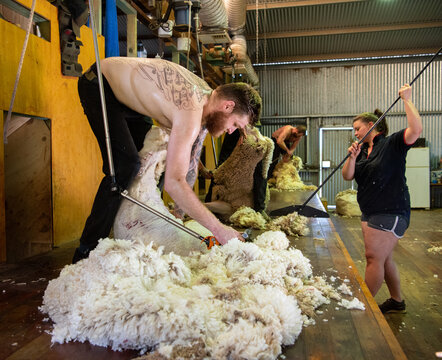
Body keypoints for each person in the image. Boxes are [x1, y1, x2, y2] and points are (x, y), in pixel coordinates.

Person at [72, 57, 262, 263]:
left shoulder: (207, 105)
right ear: (228, 106)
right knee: (125, 167)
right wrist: (219, 230)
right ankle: (85, 251)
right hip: (100, 85)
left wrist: (178, 216)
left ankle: (145, 223)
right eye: (235, 123)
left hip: (128, 102)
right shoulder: (191, 109)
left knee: (150, 165)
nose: (232, 131)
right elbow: (175, 183)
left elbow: (189, 167)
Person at [342, 84, 422, 314]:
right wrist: (352, 158)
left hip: (391, 210)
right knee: (384, 259)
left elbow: (415, 130)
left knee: (373, 258)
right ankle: (397, 301)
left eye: (358, 128)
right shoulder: (362, 153)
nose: (355, 133)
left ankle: (360, 308)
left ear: (371, 126)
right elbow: (348, 177)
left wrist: (407, 100)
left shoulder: (392, 143)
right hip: (370, 211)